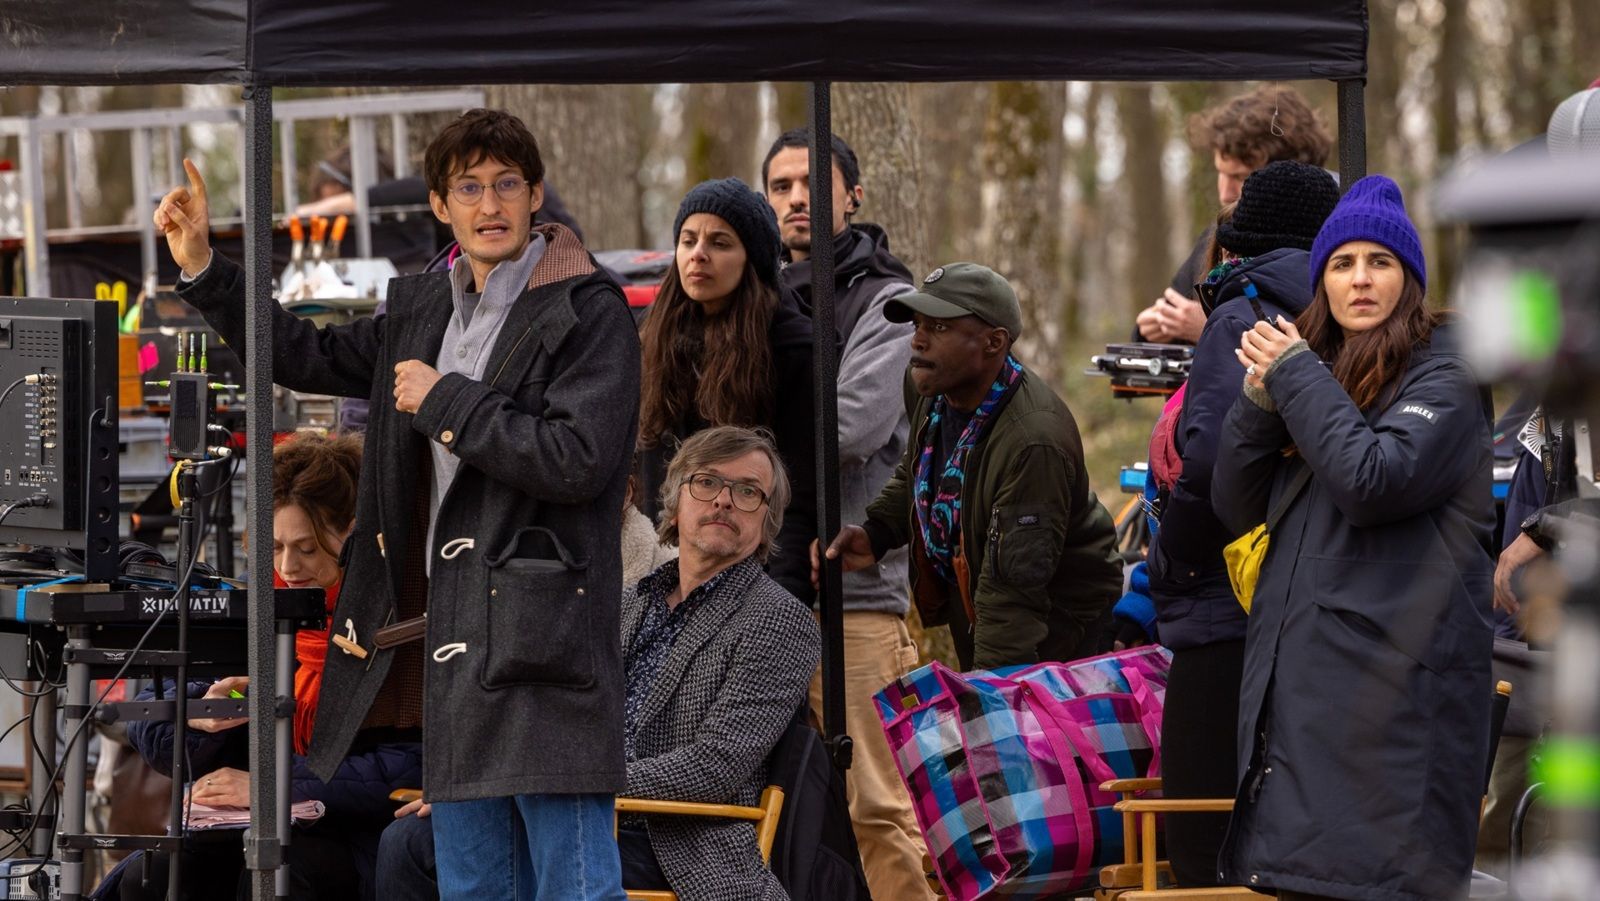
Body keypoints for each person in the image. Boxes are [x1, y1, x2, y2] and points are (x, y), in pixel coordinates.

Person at [156, 108, 639, 900]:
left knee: (573, 886)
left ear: (536, 194)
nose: (491, 204)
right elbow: (307, 353)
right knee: (473, 889)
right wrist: (207, 266)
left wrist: (446, 399)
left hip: (546, 646)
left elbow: (578, 459)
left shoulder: (589, 309)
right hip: (451, 647)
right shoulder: (421, 307)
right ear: (441, 206)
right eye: (469, 188)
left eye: (507, 184)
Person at [377, 426, 821, 900]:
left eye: (748, 492)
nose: (724, 500)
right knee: (409, 841)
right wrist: (488, 785)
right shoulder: (624, 602)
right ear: (675, 502)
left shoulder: (779, 619)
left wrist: (564, 785)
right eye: (707, 482)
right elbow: (553, 717)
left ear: (767, 522)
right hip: (569, 810)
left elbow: (715, 766)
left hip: (677, 840)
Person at [1212, 175, 1494, 900]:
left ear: (1410, 279)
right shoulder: (1314, 374)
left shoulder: (1449, 375)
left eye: (1380, 261)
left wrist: (1296, 376)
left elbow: (1374, 480)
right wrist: (1258, 402)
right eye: (1342, 263)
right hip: (1303, 712)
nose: (1360, 279)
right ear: (1322, 282)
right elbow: (1235, 505)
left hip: (1393, 724)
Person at [96, 434, 421, 901]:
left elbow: (415, 763)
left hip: (351, 831)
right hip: (239, 824)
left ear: (352, 535)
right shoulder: (250, 603)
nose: (288, 567)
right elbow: (151, 725)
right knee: (155, 876)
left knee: (279, 874)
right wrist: (200, 714)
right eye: (274, 547)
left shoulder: (398, 618)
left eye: (307, 548)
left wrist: (274, 786)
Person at [1143, 160, 1340, 887]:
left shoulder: (1240, 312)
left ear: (1240, 239)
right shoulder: (1342, 312)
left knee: (1201, 844)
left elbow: (1209, 465)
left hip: (1222, 602)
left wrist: (1172, 556)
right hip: (1303, 601)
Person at [761, 127, 932, 901]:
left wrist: (736, 447)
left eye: (813, 183)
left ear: (852, 196)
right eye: (781, 186)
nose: (797, 198)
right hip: (758, 593)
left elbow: (850, 426)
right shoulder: (757, 294)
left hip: (853, 595)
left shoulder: (887, 300)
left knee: (877, 806)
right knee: (775, 811)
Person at [819, 263, 1121, 670]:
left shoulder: (1033, 441)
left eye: (939, 328)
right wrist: (878, 532)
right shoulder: (930, 386)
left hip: (1061, 633)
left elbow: (1013, 596)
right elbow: (920, 468)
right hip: (984, 603)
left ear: (994, 342)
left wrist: (988, 693)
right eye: (917, 325)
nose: (917, 341)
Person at [636, 178, 817, 601]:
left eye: (719, 243)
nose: (698, 254)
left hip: (754, 576)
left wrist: (783, 600)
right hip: (663, 568)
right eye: (688, 240)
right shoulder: (652, 336)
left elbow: (798, 492)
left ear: (751, 259)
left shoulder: (791, 346)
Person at [1135, 86, 1334, 345]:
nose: (1225, 193)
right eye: (1221, 172)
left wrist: (1211, 326)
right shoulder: (1221, 234)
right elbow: (1170, 313)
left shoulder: (1339, 241)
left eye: (1240, 177)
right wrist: (1150, 330)